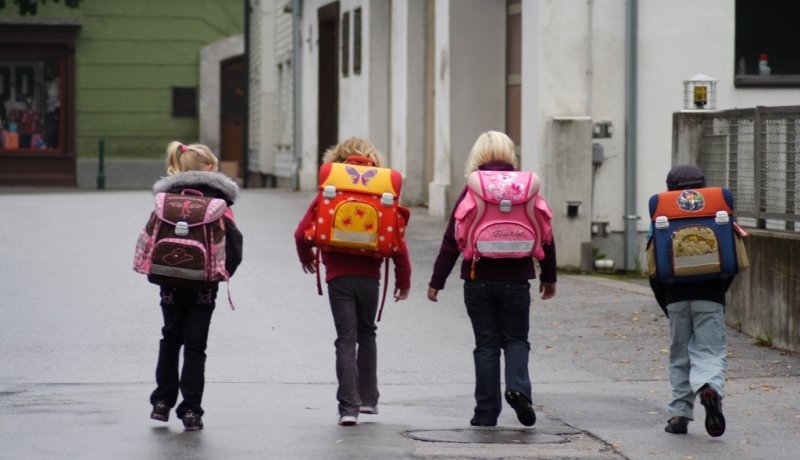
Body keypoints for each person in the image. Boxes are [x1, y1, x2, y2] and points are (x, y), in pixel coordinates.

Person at [427, 130, 557, 427]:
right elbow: (547, 234)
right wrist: (548, 276)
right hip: (517, 279)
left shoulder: (472, 188)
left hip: (477, 278)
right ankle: (518, 388)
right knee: (516, 340)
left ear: (478, 155)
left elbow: (452, 238)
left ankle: (485, 413)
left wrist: (437, 280)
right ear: (510, 154)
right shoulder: (527, 188)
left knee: (486, 345)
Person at [294, 137, 412, 426]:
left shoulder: (332, 190)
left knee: (345, 339)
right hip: (369, 277)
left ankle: (348, 408)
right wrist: (403, 279)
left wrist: (307, 257)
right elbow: (398, 241)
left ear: (338, 159)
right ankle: (369, 400)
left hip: (338, 277)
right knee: (367, 333)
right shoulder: (381, 191)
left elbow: (300, 233)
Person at [147, 141, 243, 431]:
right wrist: (223, 273)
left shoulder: (166, 200)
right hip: (204, 284)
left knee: (170, 337)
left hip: (170, 281)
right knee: (195, 346)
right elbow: (235, 245)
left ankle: (162, 402)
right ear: (211, 167)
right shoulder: (219, 204)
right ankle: (191, 411)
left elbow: (151, 237)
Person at [649, 164, 730, 437]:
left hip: (674, 296)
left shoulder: (662, 212)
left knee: (679, 356)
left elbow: (653, 268)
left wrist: (666, 304)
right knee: (710, 351)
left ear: (671, 188)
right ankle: (710, 389)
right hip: (711, 295)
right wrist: (719, 291)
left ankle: (680, 415)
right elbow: (733, 259)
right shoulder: (718, 209)